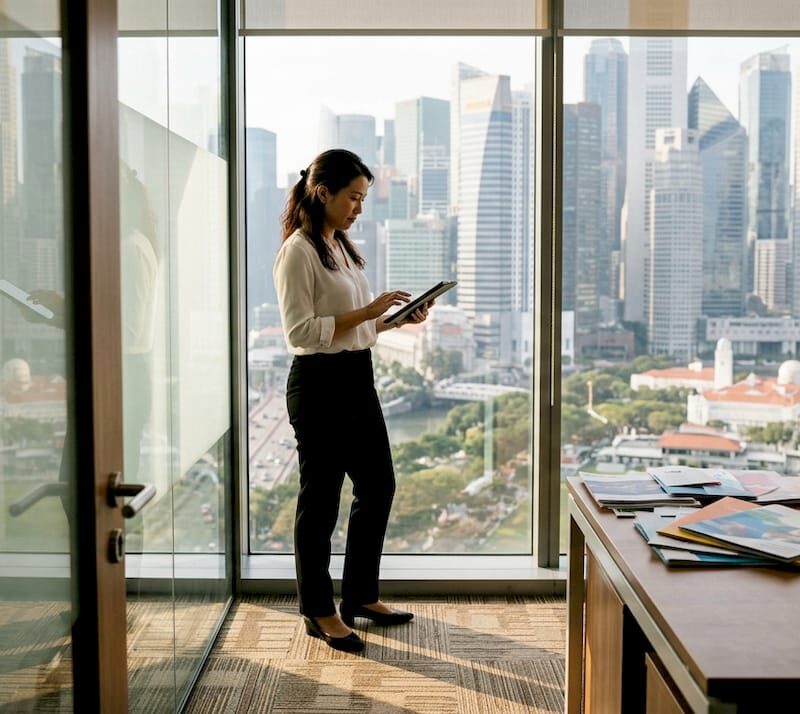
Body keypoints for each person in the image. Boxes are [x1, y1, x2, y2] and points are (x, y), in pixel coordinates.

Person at [273, 149, 429, 653]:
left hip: (357, 378)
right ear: (323, 193)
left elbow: (355, 328)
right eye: (353, 197)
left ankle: (359, 597)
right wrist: (367, 309)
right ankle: (318, 611)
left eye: (362, 198)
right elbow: (300, 332)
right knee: (319, 503)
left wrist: (393, 320)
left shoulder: (337, 246)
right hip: (319, 385)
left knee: (378, 486)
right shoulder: (298, 251)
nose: (359, 208)